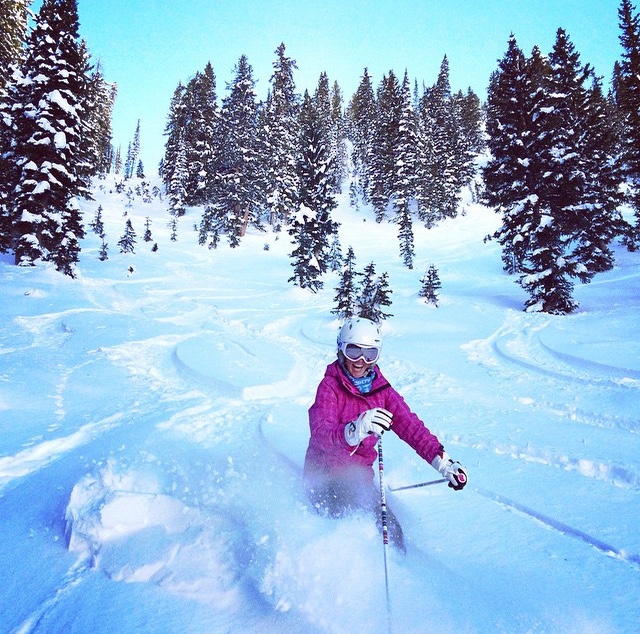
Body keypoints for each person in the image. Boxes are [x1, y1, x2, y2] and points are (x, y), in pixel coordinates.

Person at [303, 316, 467, 550]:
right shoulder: (330, 387)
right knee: (351, 533)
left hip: (359, 479)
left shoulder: (381, 390)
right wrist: (354, 430)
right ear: (341, 350)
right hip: (325, 477)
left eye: (369, 354)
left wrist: (443, 463)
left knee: (392, 534)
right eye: (353, 351)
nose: (360, 361)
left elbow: (411, 427)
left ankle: (402, 569)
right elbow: (321, 435)